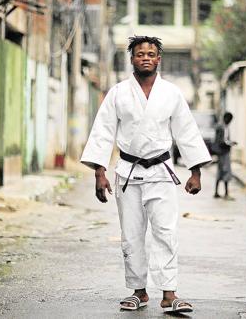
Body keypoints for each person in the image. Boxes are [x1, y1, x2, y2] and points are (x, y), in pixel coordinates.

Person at [80, 36, 211, 314]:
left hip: (162, 172)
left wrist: (195, 171)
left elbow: (186, 131)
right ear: (132, 59)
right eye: (140, 54)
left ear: (158, 59)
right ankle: (138, 292)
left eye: (151, 53)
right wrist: (99, 173)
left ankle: (169, 293)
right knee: (131, 235)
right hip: (128, 172)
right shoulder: (118, 93)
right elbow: (103, 131)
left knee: (166, 232)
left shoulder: (171, 93)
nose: (146, 58)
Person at [213, 112, 236, 200]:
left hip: (222, 152)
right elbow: (221, 141)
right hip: (223, 152)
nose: (230, 122)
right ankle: (226, 193)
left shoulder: (223, 126)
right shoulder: (221, 127)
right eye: (229, 120)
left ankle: (216, 192)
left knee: (220, 171)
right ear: (226, 118)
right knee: (226, 171)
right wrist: (230, 143)